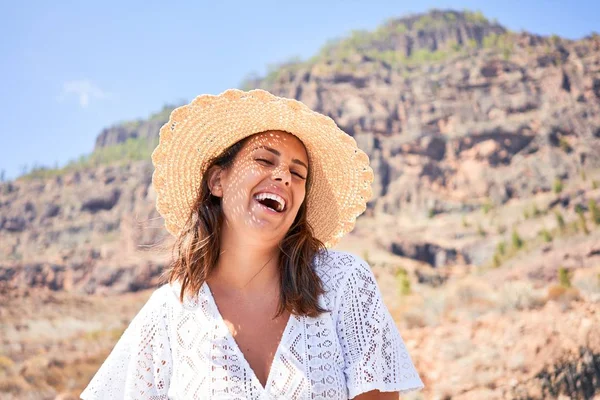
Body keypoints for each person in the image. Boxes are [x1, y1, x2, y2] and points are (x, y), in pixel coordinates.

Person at [80, 89, 424, 399]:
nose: (283, 176)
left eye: (298, 173)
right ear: (218, 180)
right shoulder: (169, 311)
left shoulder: (343, 281)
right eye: (264, 160)